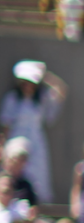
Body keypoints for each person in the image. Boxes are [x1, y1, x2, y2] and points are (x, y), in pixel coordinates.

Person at [0, 62, 63, 205]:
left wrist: (43, 75)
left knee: (37, 172)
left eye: (30, 82)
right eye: (25, 82)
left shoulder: (41, 99)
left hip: (36, 142)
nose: (27, 86)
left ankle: (36, 202)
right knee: (14, 171)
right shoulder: (13, 99)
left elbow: (61, 91)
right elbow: (6, 124)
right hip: (16, 139)